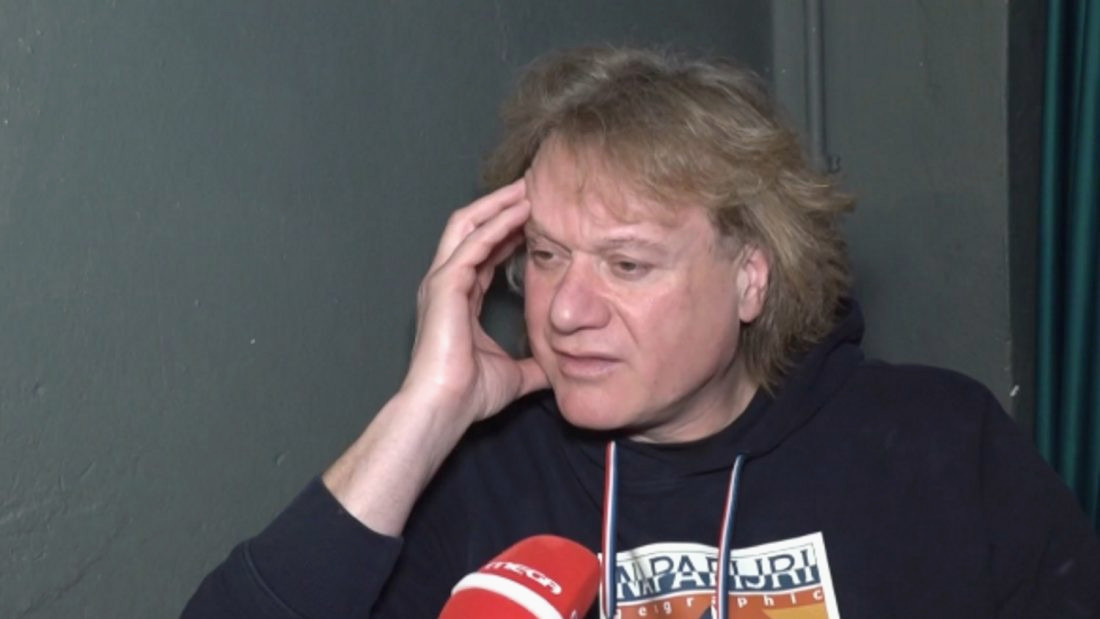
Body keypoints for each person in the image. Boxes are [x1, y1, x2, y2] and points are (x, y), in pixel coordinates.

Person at [182, 46, 1100, 619]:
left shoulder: (941, 447)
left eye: (626, 264)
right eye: (547, 255)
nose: (565, 310)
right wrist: (423, 414)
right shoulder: (477, 477)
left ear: (751, 275)